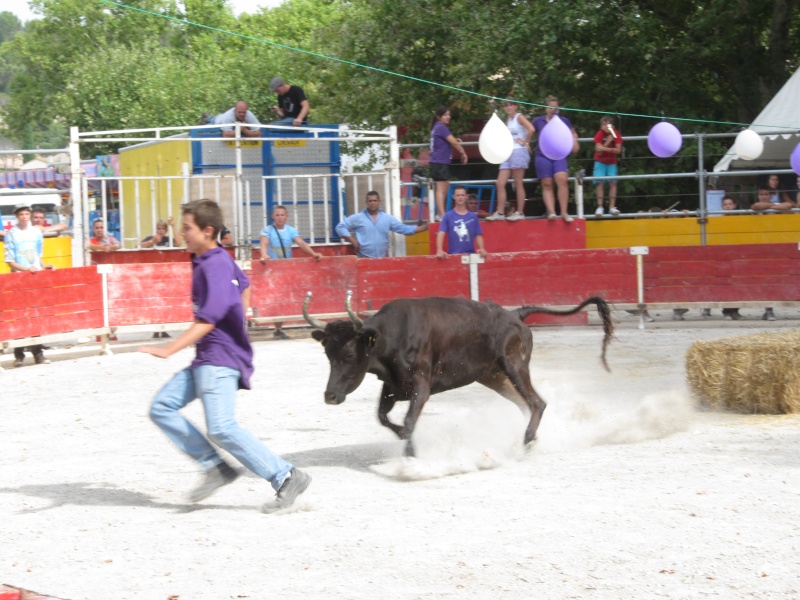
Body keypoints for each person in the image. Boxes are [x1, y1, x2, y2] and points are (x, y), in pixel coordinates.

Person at [140, 199, 311, 513]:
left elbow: (208, 319)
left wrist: (167, 349)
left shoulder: (215, 263)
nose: (182, 233)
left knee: (221, 427)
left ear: (207, 231)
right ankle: (215, 467)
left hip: (218, 358)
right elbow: (245, 286)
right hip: (210, 357)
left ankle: (286, 475)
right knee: (162, 407)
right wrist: (238, 323)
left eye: (187, 228)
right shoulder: (214, 258)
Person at [259, 205, 323, 339]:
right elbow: (264, 244)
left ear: (286, 216)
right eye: (277, 215)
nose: (280, 217)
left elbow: (301, 243)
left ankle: (279, 329)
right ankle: (278, 328)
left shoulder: (291, 230)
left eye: (282, 215)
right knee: (276, 298)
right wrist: (264, 255)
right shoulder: (267, 230)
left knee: (283, 298)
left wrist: (313, 253)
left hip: (287, 268)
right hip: (273, 268)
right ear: (273, 217)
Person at [4, 203, 54, 367]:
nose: (25, 217)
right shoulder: (11, 234)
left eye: (27, 214)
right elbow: (10, 262)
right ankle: (19, 354)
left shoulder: (36, 232)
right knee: (20, 316)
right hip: (20, 278)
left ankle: (38, 353)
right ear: (17, 216)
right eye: (21, 214)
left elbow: (38, 255)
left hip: (34, 278)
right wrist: (26, 269)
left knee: (35, 315)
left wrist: (44, 265)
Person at [335, 190, 429, 258]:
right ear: (366, 202)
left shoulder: (387, 218)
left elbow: (405, 229)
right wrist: (353, 241)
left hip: (382, 259)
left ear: (379, 202)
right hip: (363, 258)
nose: (372, 203)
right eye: (370, 201)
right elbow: (340, 227)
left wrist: (425, 227)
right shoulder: (358, 218)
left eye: (375, 201)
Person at [532, 95, 579, 222]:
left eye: (555, 107)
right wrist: (525, 142)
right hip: (542, 156)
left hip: (559, 156)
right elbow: (529, 130)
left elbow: (573, 133)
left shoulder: (564, 120)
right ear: (546, 108)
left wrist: (575, 141)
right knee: (547, 183)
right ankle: (552, 212)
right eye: (550, 107)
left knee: (562, 180)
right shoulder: (538, 121)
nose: (553, 110)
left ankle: (564, 212)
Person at [488, 100, 535, 221]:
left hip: (519, 151)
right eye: (506, 105)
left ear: (516, 106)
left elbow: (531, 129)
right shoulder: (508, 121)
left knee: (518, 182)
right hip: (507, 153)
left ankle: (520, 212)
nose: (508, 107)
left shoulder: (519, 117)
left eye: (511, 105)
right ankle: (500, 212)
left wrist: (526, 142)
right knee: (500, 182)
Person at [429, 107, 468, 220]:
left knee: (445, 186)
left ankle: (440, 213)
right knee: (441, 188)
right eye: (445, 115)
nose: (448, 117)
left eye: (449, 115)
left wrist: (454, 140)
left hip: (439, 162)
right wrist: (463, 152)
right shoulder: (441, 127)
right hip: (439, 162)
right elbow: (454, 142)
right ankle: (441, 214)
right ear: (439, 117)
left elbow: (448, 140)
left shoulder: (437, 127)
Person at [436, 185, 488, 257]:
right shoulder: (447, 216)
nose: (460, 197)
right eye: (458, 195)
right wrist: (439, 250)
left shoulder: (473, 216)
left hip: (470, 256)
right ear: (453, 197)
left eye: (462, 195)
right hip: (453, 256)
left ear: (466, 196)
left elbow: (478, 235)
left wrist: (482, 248)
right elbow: (441, 233)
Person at [593, 115, 623, 216]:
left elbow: (618, 150)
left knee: (613, 183)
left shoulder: (616, 134)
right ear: (601, 126)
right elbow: (598, 150)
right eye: (604, 124)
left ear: (613, 126)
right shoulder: (599, 134)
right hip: (600, 161)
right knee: (599, 183)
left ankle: (612, 207)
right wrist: (608, 142)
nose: (606, 126)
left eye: (608, 124)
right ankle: (600, 207)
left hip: (612, 162)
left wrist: (604, 148)